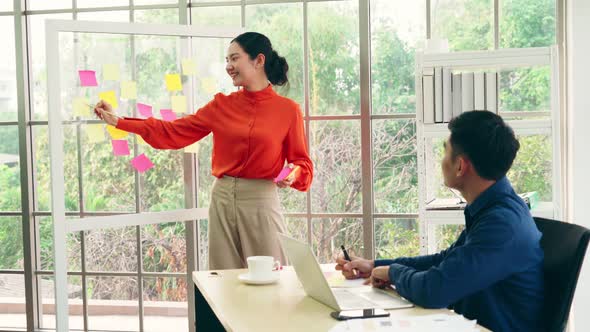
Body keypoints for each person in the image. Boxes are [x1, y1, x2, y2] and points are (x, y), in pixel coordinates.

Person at [94, 32, 313, 270]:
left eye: (234, 58)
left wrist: (292, 174)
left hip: (261, 200)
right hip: (221, 199)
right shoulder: (221, 105)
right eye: (226, 60)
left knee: (272, 274)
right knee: (224, 277)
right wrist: (119, 121)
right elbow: (173, 131)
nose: (228, 66)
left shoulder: (288, 110)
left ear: (258, 60)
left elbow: (302, 164)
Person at [336, 111, 544, 332]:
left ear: (460, 166)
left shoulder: (502, 224)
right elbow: (447, 261)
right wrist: (375, 266)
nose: (441, 160)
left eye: (445, 151)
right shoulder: (496, 207)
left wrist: (392, 272)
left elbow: (434, 290)